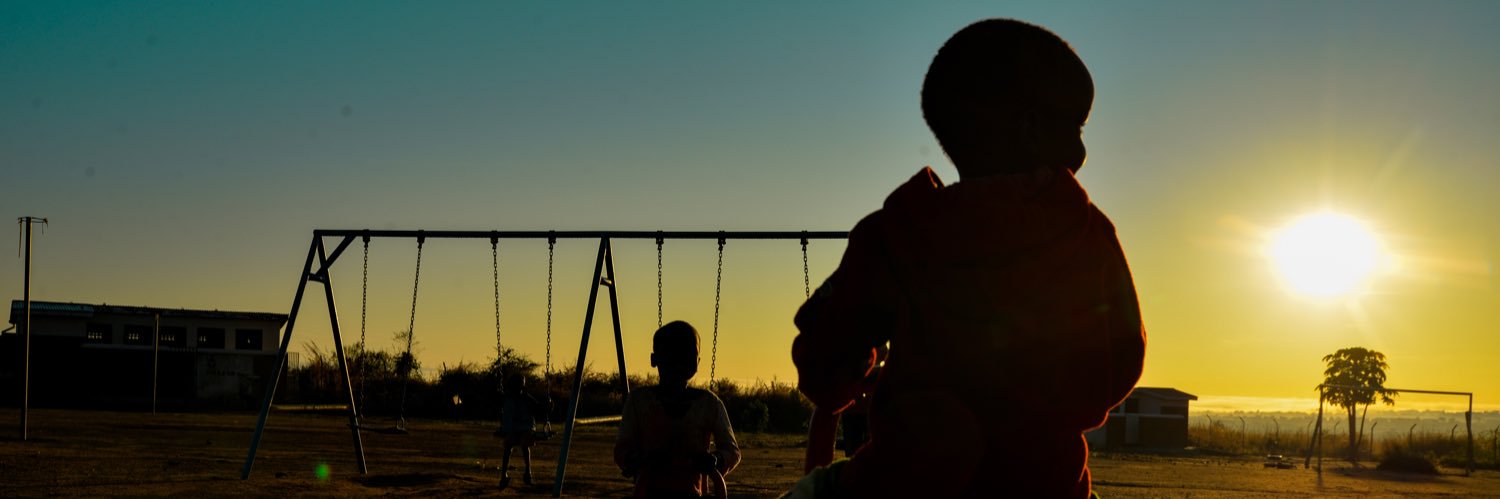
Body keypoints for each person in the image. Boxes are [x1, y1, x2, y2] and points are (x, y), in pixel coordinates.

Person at [787, 18, 1146, 498]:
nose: (1081, 151)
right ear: (1031, 128)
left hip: (901, 481)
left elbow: (822, 363)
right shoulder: (1086, 231)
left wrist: (860, 379)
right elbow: (1120, 361)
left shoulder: (898, 231)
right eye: (1076, 127)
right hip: (1047, 482)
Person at [615, 321, 742, 498]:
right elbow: (622, 448)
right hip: (648, 491)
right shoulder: (640, 400)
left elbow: (731, 450)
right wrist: (637, 461)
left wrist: (716, 460)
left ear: (697, 362)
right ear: (654, 359)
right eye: (671, 354)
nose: (678, 362)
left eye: (687, 355)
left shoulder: (708, 403)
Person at [495, 372, 548, 488]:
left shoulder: (527, 398)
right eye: (517, 385)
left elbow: (538, 408)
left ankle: (528, 473)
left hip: (526, 427)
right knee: (508, 444)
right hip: (511, 428)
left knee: (525, 443)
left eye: (521, 385)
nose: (519, 388)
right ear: (511, 386)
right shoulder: (506, 397)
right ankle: (504, 475)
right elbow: (495, 404)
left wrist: (547, 406)